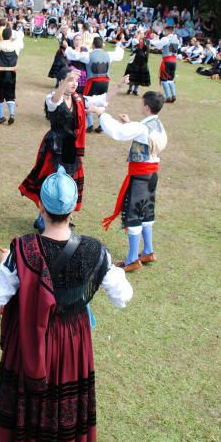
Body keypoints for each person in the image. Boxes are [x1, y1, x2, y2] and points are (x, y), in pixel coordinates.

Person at [0, 168, 133, 442]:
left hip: (30, 333)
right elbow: (123, 295)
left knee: (36, 391)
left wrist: (8, 263)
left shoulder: (22, 249)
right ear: (74, 205)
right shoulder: (96, 250)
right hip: (72, 336)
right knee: (59, 394)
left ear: (41, 207)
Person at [19, 68, 127, 227]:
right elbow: (55, 100)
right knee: (50, 182)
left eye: (76, 81)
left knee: (67, 183)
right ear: (62, 81)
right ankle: (43, 218)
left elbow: (101, 100)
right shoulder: (52, 98)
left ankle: (57, 217)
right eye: (71, 80)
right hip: (54, 147)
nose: (74, 84)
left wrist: (118, 85)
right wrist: (64, 82)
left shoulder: (78, 99)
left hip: (71, 147)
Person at [89, 90, 167, 272]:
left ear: (146, 106)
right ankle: (148, 250)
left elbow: (118, 133)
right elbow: (137, 132)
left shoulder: (142, 127)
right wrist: (128, 123)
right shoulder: (158, 124)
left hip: (140, 176)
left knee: (134, 214)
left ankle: (132, 259)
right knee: (146, 213)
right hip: (151, 175)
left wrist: (101, 114)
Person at [65, 35, 124, 132]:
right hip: (105, 82)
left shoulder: (88, 55)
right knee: (102, 101)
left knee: (87, 101)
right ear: (102, 45)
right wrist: (119, 44)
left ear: (92, 45)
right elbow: (119, 55)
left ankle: (90, 124)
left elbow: (75, 56)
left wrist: (67, 48)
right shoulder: (108, 55)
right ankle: (101, 125)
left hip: (92, 81)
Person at [0, 26, 23, 125]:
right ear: (10, 36)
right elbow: (20, 35)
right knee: (10, 94)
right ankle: (12, 114)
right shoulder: (16, 45)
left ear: (2, 35)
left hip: (0, 72)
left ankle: (1, 116)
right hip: (12, 73)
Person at [153, 26, 180, 103]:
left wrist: (151, 41)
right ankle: (173, 95)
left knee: (164, 79)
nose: (164, 32)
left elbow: (158, 45)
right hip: (174, 61)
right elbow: (172, 50)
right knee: (171, 79)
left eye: (165, 31)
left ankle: (168, 96)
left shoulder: (166, 38)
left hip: (167, 61)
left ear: (168, 31)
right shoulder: (176, 39)